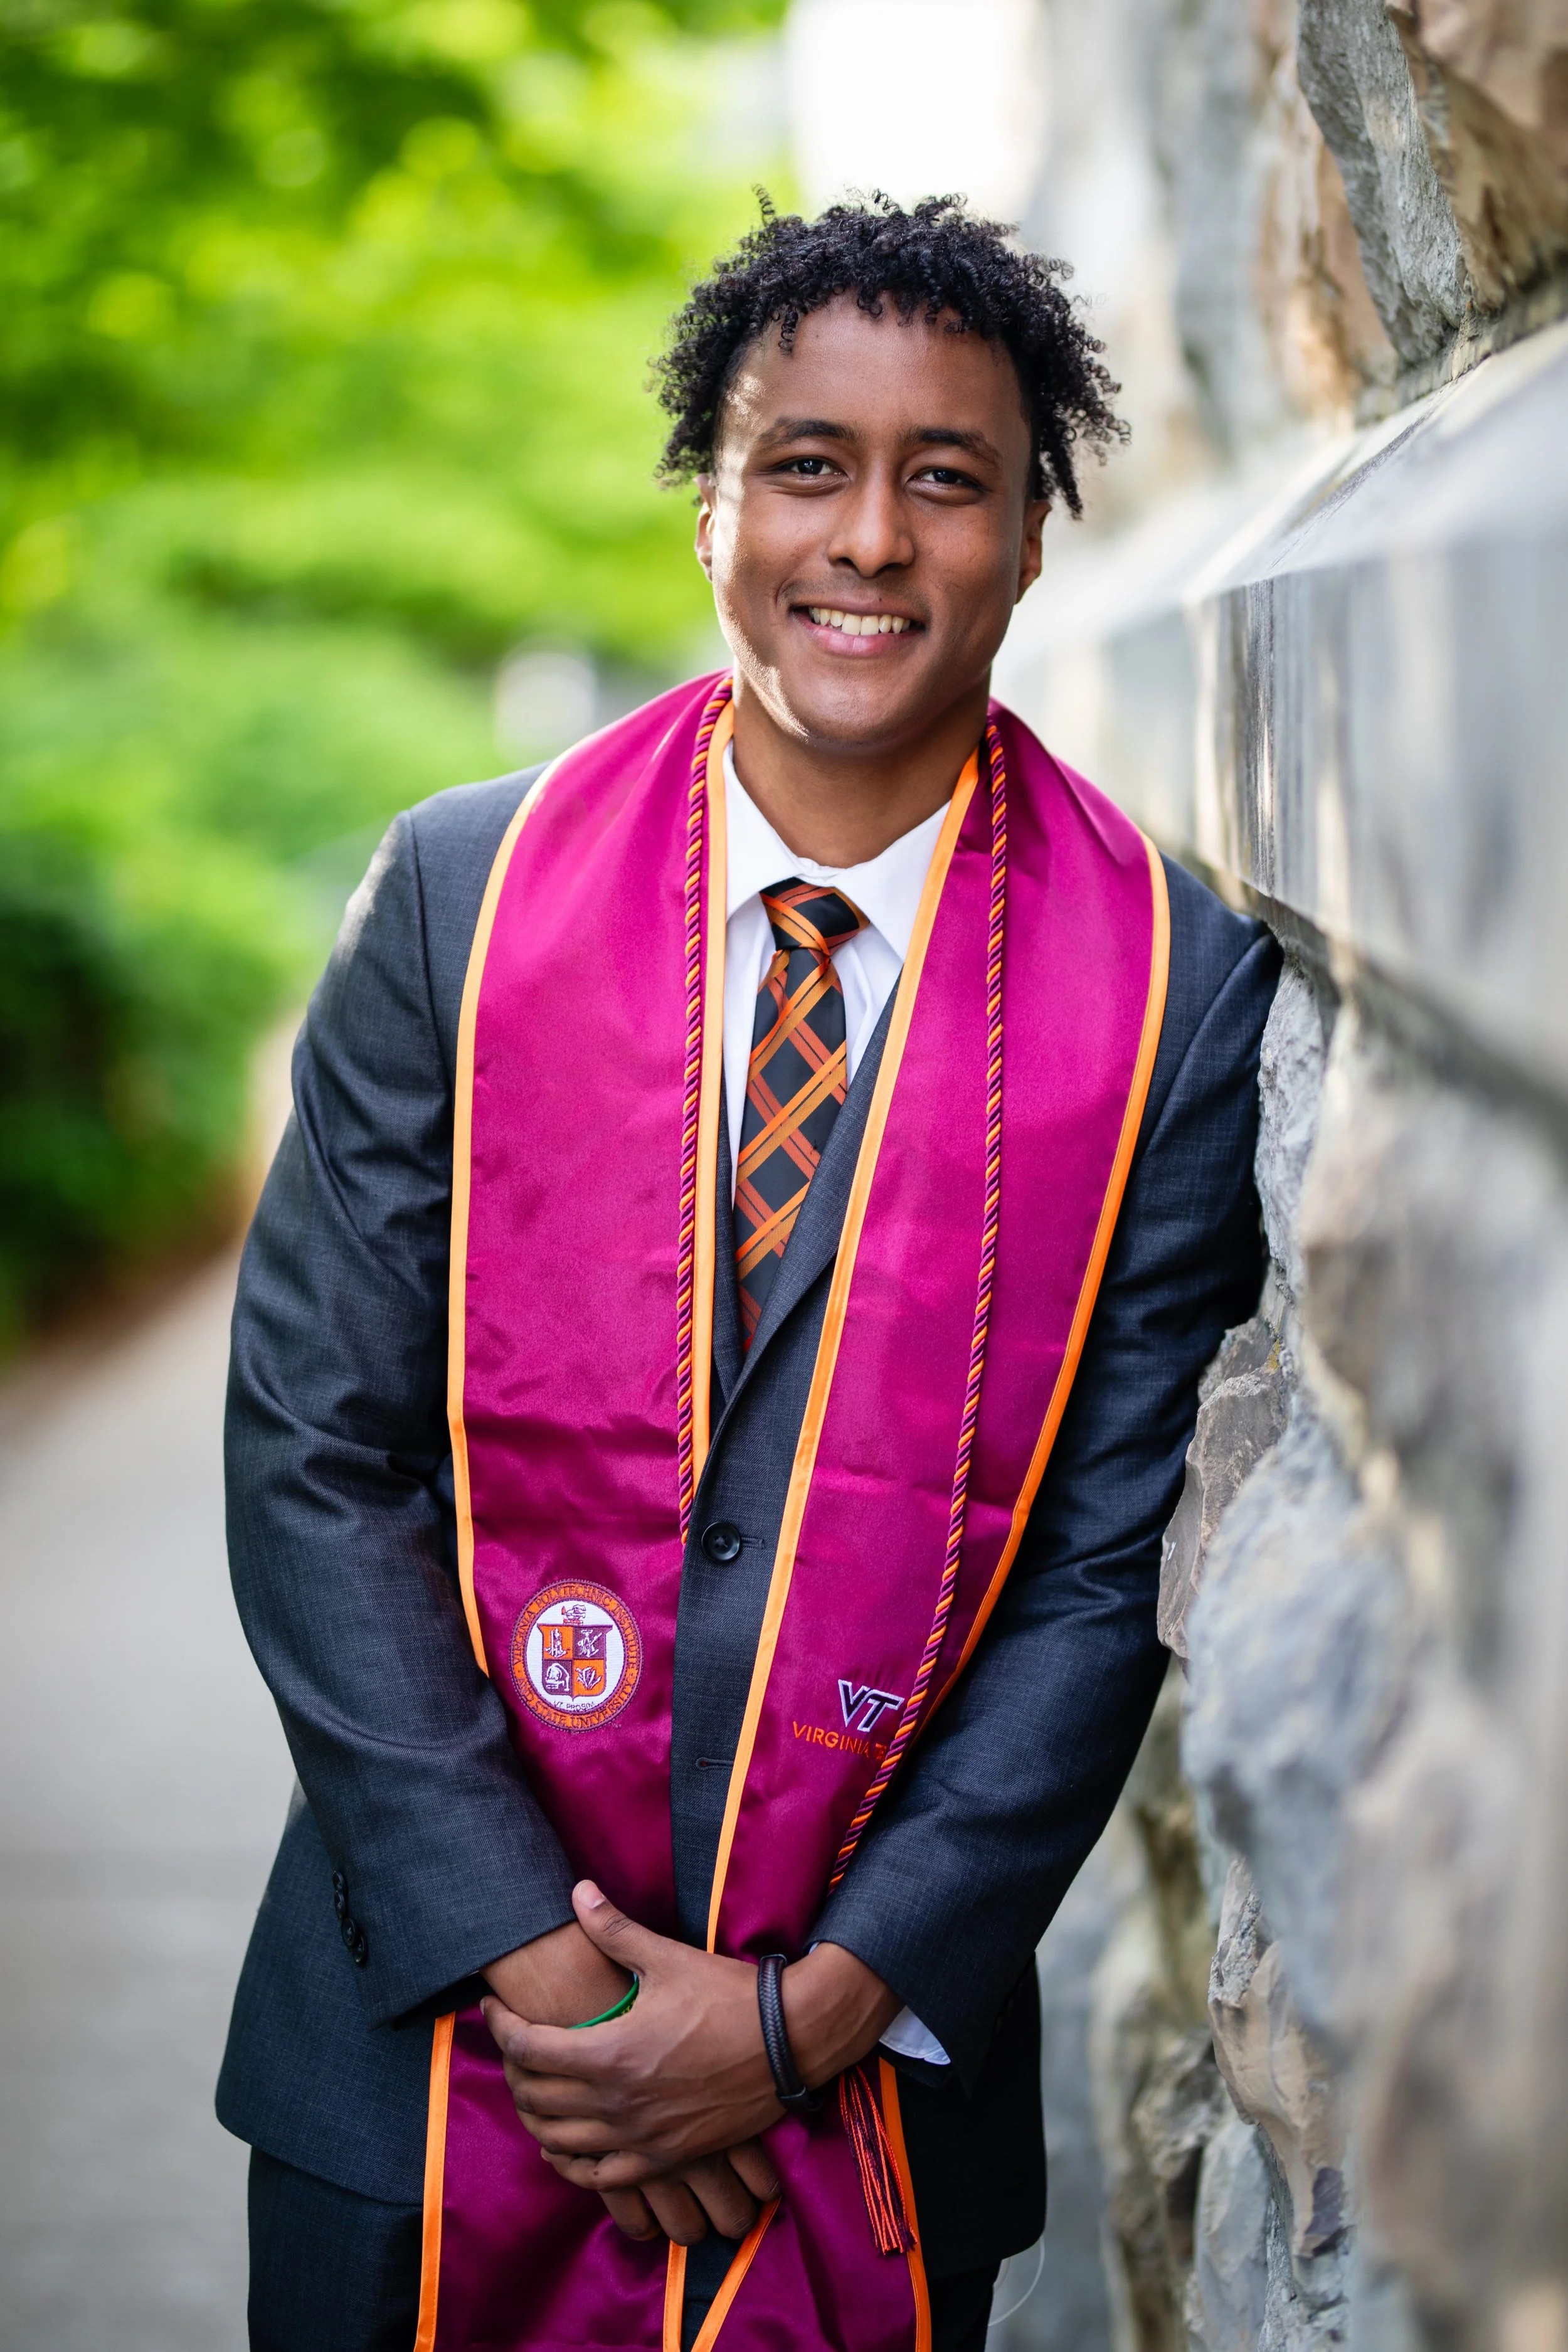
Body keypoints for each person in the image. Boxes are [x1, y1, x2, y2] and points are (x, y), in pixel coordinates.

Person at [218, 196, 1279, 2352]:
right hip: (425, 2049)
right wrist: (578, 1987)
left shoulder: (1170, 989)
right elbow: (314, 1459)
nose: (868, 538)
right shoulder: (457, 896)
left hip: (860, 2079)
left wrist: (808, 2013)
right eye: (807, 463)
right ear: (711, 505)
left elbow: (1097, 1575)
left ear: (1034, 532)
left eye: (945, 475)